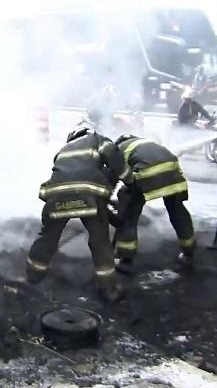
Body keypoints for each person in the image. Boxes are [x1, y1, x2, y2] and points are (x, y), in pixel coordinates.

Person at [25, 126, 134, 302]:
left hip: (56, 195)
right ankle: (109, 290)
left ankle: (32, 278)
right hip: (89, 194)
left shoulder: (63, 150)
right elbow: (116, 161)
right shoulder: (98, 139)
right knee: (100, 242)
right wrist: (130, 180)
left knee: (47, 238)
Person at [112, 135, 195, 267]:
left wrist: (109, 197)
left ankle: (125, 259)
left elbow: (117, 176)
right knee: (177, 211)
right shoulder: (146, 142)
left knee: (129, 215)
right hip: (173, 174)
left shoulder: (118, 150)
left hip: (146, 175)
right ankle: (188, 252)